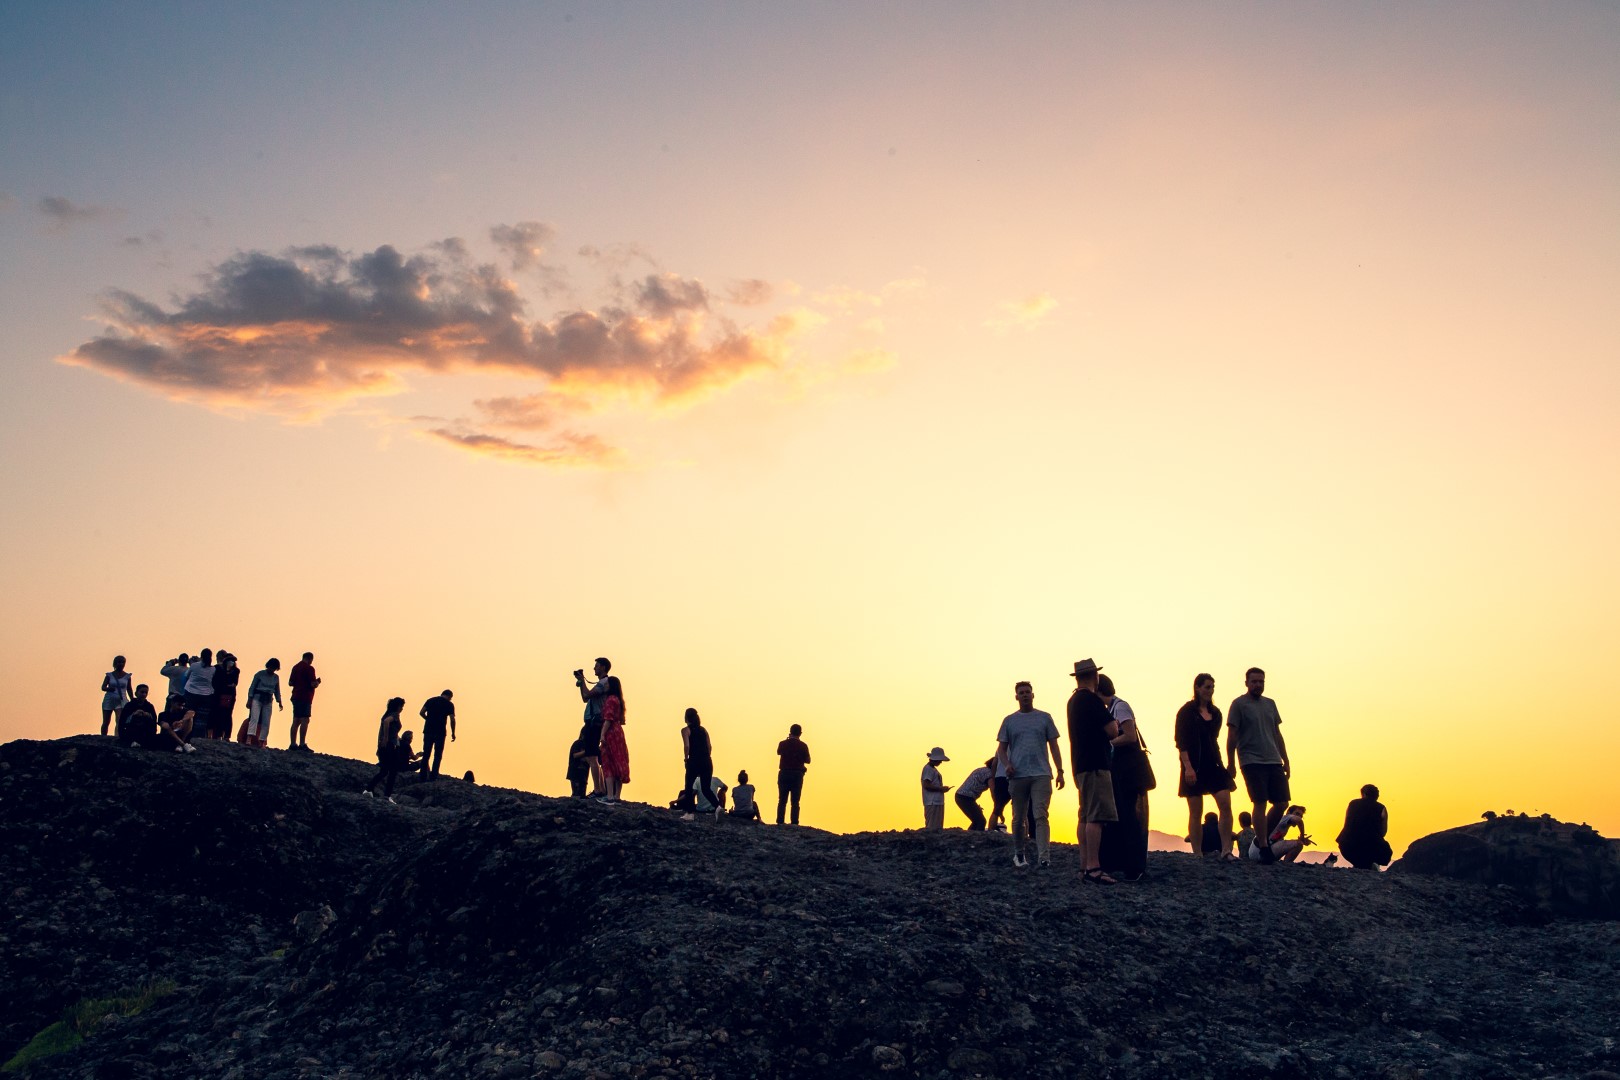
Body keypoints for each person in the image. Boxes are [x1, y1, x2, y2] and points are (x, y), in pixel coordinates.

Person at [996, 680, 1066, 869]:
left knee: (1040, 814)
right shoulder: (1009, 721)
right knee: (1019, 817)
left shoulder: (1045, 718)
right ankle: (1019, 854)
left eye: (1028, 692)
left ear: (1033, 695)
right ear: (1016, 697)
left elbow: (1054, 746)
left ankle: (1044, 857)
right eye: (1022, 692)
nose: (1025, 695)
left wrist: (1060, 770)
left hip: (1041, 773)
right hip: (1018, 775)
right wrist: (1007, 764)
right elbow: (1001, 748)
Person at [1226, 667, 1292, 859]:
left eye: (1261, 681)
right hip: (1251, 760)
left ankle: (1261, 837)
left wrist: (1286, 759)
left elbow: (1277, 733)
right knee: (1260, 801)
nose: (1258, 685)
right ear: (1246, 683)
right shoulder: (1239, 704)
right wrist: (1231, 762)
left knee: (1282, 802)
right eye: (1254, 681)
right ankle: (1263, 845)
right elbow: (1232, 735)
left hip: (1273, 759)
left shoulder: (1270, 704)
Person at [1067, 659, 1120, 884]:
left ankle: (1084, 866)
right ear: (1094, 677)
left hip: (1080, 764)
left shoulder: (1073, 701)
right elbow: (1112, 730)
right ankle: (1093, 867)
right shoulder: (1091, 700)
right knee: (1096, 816)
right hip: (1096, 764)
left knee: (1085, 814)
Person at [1176, 673, 1237, 858]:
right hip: (1193, 765)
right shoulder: (1186, 712)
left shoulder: (1216, 713)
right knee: (1196, 811)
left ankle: (1226, 849)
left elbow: (1214, 739)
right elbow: (1181, 742)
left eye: (1212, 687)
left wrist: (1225, 763)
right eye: (1207, 687)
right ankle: (1197, 852)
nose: (1210, 691)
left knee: (1225, 804)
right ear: (1197, 688)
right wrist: (1188, 767)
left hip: (1213, 764)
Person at [1097, 674, 1151, 882]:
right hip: (1122, 770)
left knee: (1129, 815)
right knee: (1122, 814)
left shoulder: (1120, 707)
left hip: (1128, 771)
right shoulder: (1112, 708)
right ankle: (1124, 863)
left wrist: (1108, 744)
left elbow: (1130, 736)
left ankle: (1134, 865)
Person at [574, 658, 620, 798]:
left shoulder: (602, 683)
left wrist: (582, 681)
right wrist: (582, 682)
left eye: (597, 666)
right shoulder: (603, 683)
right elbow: (585, 698)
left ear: (603, 667)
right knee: (592, 756)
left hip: (595, 722)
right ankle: (600, 789)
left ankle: (598, 790)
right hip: (594, 722)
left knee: (591, 755)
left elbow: (587, 695)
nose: (594, 668)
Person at [363, 698, 416, 803]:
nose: (402, 709)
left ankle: (368, 790)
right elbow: (387, 722)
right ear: (398, 706)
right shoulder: (394, 715)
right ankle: (387, 796)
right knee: (393, 771)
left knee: (384, 771)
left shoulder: (386, 714)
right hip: (389, 747)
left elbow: (391, 730)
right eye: (402, 706)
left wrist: (395, 739)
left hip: (384, 746)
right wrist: (386, 738)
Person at [1337, 785, 1393, 869]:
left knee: (1361, 859)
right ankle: (1368, 864)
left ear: (1363, 794)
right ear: (1377, 795)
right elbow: (1383, 832)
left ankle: (1362, 864)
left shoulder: (1352, 804)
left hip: (1347, 846)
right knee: (1385, 851)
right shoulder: (1381, 808)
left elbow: (1346, 824)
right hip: (1370, 847)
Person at [119, 684, 188, 753]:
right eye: (142, 692)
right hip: (131, 731)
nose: (144, 694)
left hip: (145, 732)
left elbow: (154, 722)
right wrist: (133, 715)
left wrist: (148, 716)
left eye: (146, 692)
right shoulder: (129, 705)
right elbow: (122, 721)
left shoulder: (149, 706)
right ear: (136, 693)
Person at [681, 708, 719, 818]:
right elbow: (709, 746)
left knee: (689, 787)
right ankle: (718, 807)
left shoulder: (685, 730)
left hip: (694, 760)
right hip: (707, 760)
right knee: (706, 788)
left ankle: (689, 813)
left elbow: (687, 746)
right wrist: (706, 757)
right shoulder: (703, 730)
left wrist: (686, 759)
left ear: (686, 718)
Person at [598, 685, 630, 802]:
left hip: (611, 733)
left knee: (608, 763)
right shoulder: (618, 700)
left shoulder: (610, 700)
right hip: (618, 732)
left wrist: (602, 734)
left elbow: (608, 719)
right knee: (619, 761)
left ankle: (610, 796)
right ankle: (616, 796)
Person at [241, 658, 282, 748]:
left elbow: (277, 690)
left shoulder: (276, 677)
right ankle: (249, 738)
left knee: (266, 721)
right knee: (254, 718)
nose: (272, 669)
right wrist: (249, 699)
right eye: (271, 667)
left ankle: (262, 740)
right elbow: (252, 687)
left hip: (268, 699)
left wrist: (279, 701)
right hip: (257, 697)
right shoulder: (260, 674)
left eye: (274, 668)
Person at [776, 723, 810, 825]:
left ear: (790, 732)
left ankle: (780, 821)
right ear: (800, 733)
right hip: (797, 774)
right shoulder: (803, 746)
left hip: (784, 773)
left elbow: (778, 752)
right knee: (795, 801)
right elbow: (808, 760)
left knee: (782, 800)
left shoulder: (783, 743)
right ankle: (794, 822)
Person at [418, 690, 457, 778]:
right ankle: (433, 775)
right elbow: (452, 719)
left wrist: (428, 719)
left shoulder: (430, 700)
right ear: (449, 696)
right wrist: (453, 732)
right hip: (440, 731)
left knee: (426, 753)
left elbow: (421, 712)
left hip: (428, 730)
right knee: (438, 755)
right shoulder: (449, 704)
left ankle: (422, 775)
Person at [287, 652, 320, 751]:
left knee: (296, 720)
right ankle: (302, 743)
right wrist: (317, 682)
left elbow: (290, 683)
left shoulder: (295, 667)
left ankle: (293, 744)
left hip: (296, 695)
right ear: (310, 659)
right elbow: (313, 684)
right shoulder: (309, 668)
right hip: (305, 697)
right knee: (305, 720)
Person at [181, 648, 217, 737]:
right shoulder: (213, 669)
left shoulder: (194, 665)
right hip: (206, 694)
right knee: (202, 717)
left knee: (188, 714)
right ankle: (198, 736)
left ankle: (186, 734)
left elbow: (186, 675)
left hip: (191, 692)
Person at [954, 757, 994, 831]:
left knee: (976, 821)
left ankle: (969, 835)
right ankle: (976, 836)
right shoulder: (989, 773)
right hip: (965, 797)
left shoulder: (981, 770)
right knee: (981, 821)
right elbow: (993, 790)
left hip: (963, 796)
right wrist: (997, 806)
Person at [100, 656, 133, 737]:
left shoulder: (127, 676)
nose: (121, 664)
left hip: (121, 700)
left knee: (119, 720)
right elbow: (103, 687)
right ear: (115, 663)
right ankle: (103, 737)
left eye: (122, 662)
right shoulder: (109, 675)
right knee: (106, 721)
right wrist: (108, 689)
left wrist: (132, 699)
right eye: (119, 662)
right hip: (109, 699)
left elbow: (129, 688)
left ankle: (117, 737)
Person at [210, 652, 240, 740]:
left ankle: (226, 735)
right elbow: (216, 682)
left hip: (230, 696)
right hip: (219, 694)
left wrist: (228, 673)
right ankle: (218, 734)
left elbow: (234, 683)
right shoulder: (218, 669)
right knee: (218, 714)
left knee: (227, 715)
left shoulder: (236, 671)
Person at [920, 748, 952, 829]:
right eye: (940, 760)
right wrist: (941, 789)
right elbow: (926, 785)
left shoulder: (932, 769)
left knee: (937, 827)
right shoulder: (928, 769)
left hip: (936, 802)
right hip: (932, 802)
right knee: (932, 827)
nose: (941, 762)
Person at [986, 751, 1011, 833]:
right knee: (1019, 807)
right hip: (1012, 777)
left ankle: (990, 830)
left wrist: (993, 778)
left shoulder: (1000, 748)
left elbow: (994, 764)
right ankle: (1022, 833)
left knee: (998, 806)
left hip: (999, 778)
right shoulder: (1018, 746)